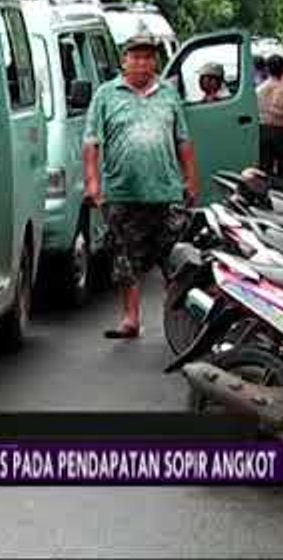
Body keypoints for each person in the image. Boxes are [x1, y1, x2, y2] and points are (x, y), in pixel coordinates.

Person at [82, 32, 199, 340]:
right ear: (124, 61)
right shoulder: (106, 95)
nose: (142, 63)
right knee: (124, 258)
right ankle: (130, 318)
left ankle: (176, 319)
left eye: (148, 57)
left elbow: (183, 140)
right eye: (136, 57)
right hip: (121, 191)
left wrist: (190, 179)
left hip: (165, 191)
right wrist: (93, 183)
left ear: (155, 62)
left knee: (171, 258)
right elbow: (91, 142)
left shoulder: (168, 95)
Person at [256, 53, 283, 180]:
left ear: (267, 69)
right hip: (281, 132)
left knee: (264, 167)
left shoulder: (259, 90)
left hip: (262, 129)